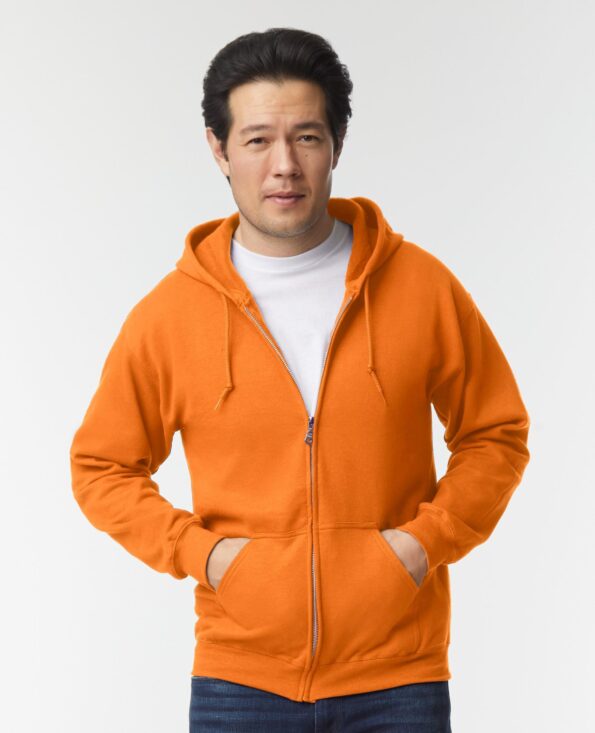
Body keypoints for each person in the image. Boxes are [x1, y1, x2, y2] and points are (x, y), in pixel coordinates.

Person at [70, 27, 531, 732]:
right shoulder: (169, 316)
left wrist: (419, 546)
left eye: (306, 137)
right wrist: (206, 556)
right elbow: (101, 466)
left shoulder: (421, 287)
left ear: (336, 145)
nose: (283, 165)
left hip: (398, 675)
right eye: (257, 140)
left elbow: (495, 434)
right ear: (219, 149)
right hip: (239, 679)